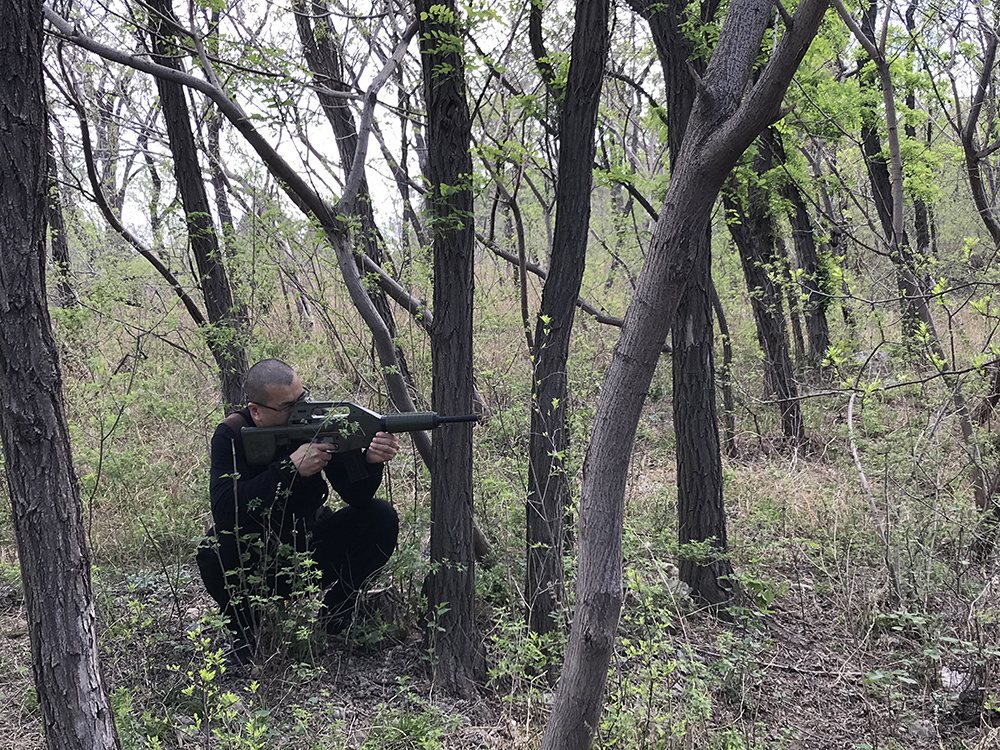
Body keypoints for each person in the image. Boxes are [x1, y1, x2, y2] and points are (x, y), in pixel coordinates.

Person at [196, 359, 400, 663]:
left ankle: (337, 613)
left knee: (381, 516)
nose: (302, 409)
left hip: (311, 542)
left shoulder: (315, 424)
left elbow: (357, 497)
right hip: (259, 556)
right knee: (213, 548)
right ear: (256, 411)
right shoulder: (233, 433)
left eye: (303, 397)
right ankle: (244, 634)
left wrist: (371, 462)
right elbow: (226, 510)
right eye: (289, 406)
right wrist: (288, 469)